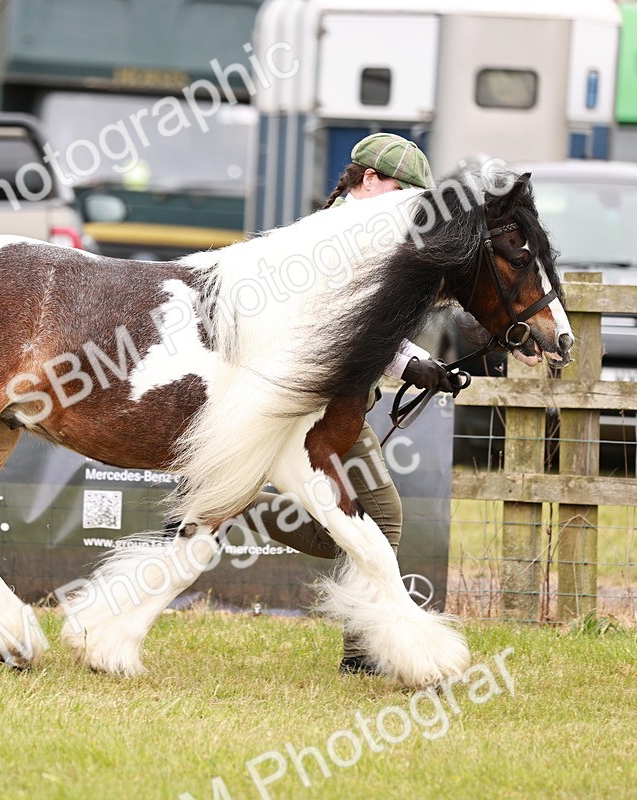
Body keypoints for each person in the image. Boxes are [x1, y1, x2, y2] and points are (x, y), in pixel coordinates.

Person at [252, 133, 463, 676]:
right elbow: (346, 328)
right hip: (302, 409)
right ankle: (362, 653)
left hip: (335, 412)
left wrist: (423, 365)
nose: (406, 211)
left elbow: (373, 327)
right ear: (367, 180)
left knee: (363, 524)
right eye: (399, 193)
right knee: (382, 517)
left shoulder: (368, 239)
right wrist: (412, 364)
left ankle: (235, 508)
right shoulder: (330, 240)